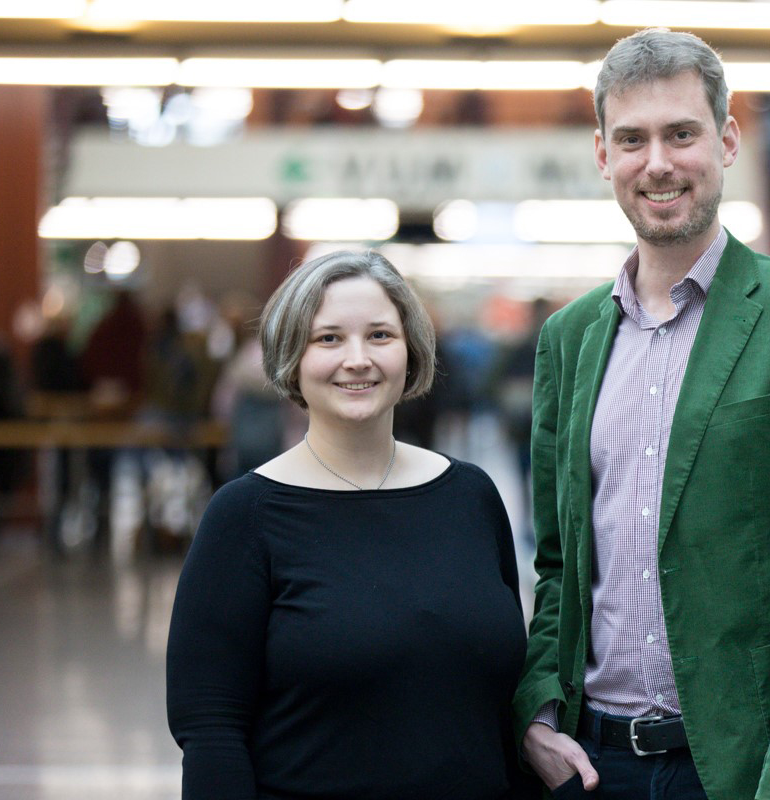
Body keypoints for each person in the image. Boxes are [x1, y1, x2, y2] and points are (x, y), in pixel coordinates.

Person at [512, 28, 770, 800]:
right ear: (603, 154)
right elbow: (559, 565)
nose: (657, 162)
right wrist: (539, 711)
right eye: (632, 139)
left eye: (681, 134)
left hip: (750, 770)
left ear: (727, 142)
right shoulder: (570, 340)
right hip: (596, 766)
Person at [166, 250, 534, 799]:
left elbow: (504, 704)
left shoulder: (469, 496)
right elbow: (211, 725)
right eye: (329, 339)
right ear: (291, 355)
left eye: (380, 335)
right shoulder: (245, 515)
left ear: (411, 349)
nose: (357, 359)